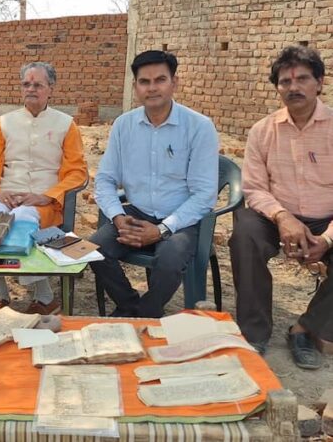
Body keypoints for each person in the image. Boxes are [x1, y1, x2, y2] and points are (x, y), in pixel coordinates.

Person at [90, 50, 219, 318]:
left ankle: (147, 312)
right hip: (136, 213)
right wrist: (117, 217)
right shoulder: (124, 125)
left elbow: (204, 194)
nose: (152, 88)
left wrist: (162, 230)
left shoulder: (199, 127)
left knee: (171, 258)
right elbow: (105, 179)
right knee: (96, 249)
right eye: (144, 82)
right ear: (135, 87)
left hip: (181, 218)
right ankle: (130, 306)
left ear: (174, 83)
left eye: (160, 80)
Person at [229, 45, 333, 370]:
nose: (293, 87)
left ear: (319, 82)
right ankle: (253, 333)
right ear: (277, 87)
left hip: (327, 219)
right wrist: (282, 217)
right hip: (276, 217)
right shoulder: (263, 130)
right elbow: (254, 188)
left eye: (302, 79)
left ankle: (306, 329)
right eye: (285, 81)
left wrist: (327, 239)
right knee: (244, 231)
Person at [0, 62, 87, 314]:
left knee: (23, 218)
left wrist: (47, 196)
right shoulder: (5, 123)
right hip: (7, 195)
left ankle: (45, 297)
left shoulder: (66, 124)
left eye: (37, 85)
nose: (31, 89)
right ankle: (0, 292)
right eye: (26, 84)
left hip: (44, 202)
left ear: (51, 89)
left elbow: (77, 171)